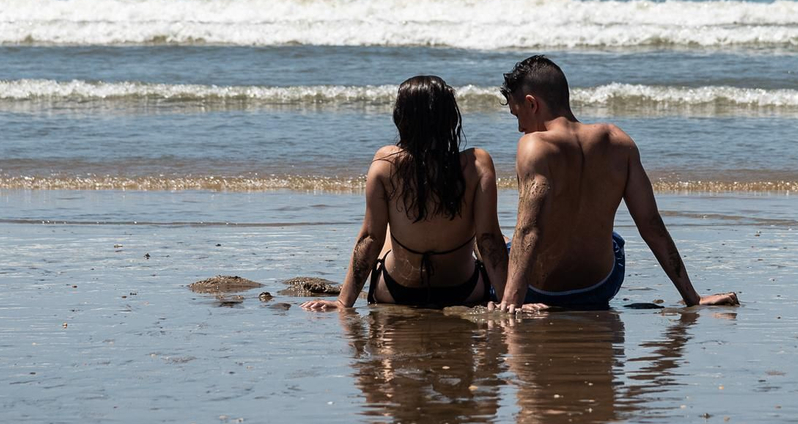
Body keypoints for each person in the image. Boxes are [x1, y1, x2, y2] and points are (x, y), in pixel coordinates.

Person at [495, 55, 739, 310]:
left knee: (495, 242)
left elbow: (529, 229)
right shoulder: (618, 141)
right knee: (612, 239)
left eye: (517, 115)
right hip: (601, 286)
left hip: (539, 291)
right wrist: (693, 298)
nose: (520, 128)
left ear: (532, 104)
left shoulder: (533, 146)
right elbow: (651, 225)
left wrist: (512, 303)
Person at [303, 75, 508, 311]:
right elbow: (488, 240)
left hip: (397, 290)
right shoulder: (477, 163)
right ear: (450, 118)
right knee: (486, 234)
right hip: (463, 290)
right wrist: (509, 301)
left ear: (402, 118)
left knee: (387, 227)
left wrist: (343, 301)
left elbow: (370, 239)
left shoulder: (385, 163)